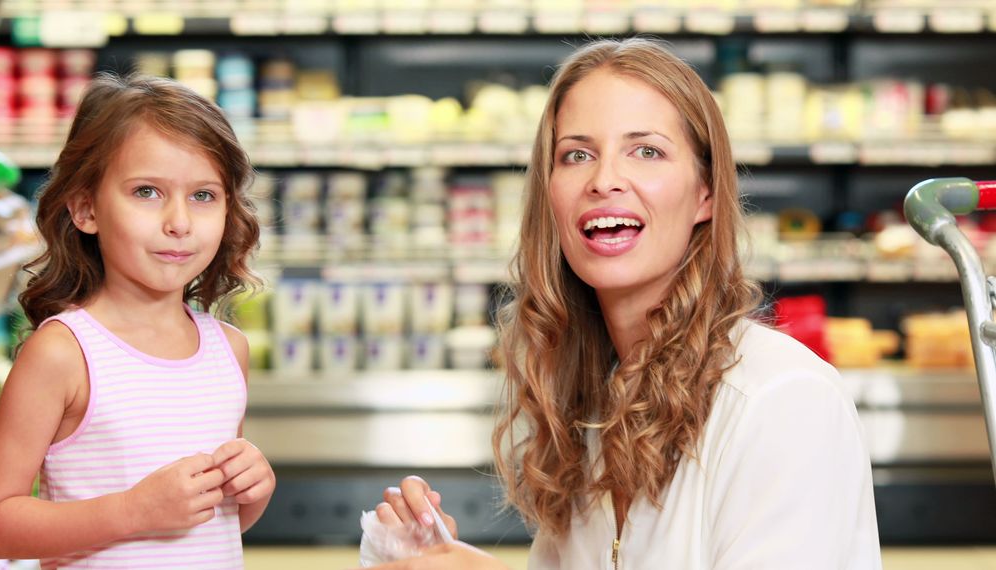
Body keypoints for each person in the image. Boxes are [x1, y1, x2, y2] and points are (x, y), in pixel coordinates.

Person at [370, 38, 881, 569]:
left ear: (705, 192)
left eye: (647, 151)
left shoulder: (781, 400)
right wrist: (438, 558)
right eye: (577, 155)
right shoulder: (595, 411)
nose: (604, 180)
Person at [0, 73, 274, 568]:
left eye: (203, 195)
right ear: (86, 208)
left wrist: (250, 492)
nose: (179, 221)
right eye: (147, 191)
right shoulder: (64, 353)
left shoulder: (228, 349)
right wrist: (133, 510)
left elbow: (201, 524)